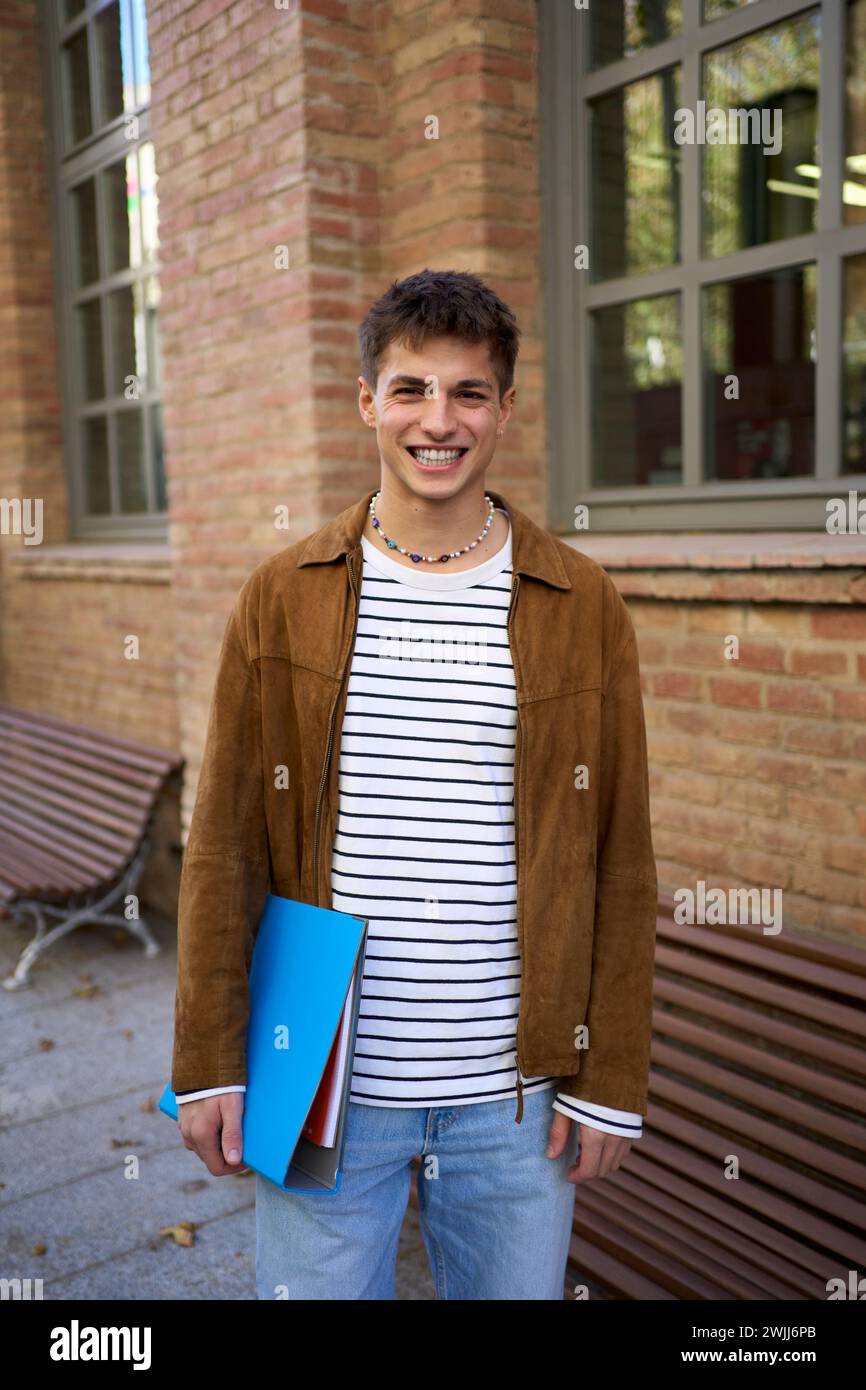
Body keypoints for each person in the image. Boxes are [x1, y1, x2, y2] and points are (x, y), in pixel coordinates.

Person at [171, 269, 658, 1300]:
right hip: (326, 1082)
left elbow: (616, 848)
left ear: (505, 409)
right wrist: (210, 1058)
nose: (438, 421)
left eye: (468, 393)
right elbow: (223, 842)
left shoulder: (580, 602)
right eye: (410, 389)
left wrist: (607, 1076)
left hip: (511, 1098)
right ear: (366, 401)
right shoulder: (282, 596)